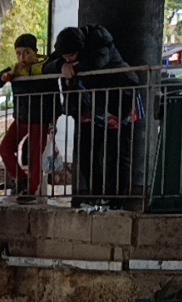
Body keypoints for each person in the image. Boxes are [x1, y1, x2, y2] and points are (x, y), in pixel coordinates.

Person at [46, 24, 141, 207]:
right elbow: (46, 67)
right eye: (64, 56)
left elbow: (98, 63)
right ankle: (96, 195)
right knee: (85, 151)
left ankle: (116, 199)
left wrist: (72, 67)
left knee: (117, 153)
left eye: (71, 56)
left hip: (119, 101)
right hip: (91, 106)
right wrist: (61, 65)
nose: (68, 59)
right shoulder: (66, 49)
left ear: (80, 50)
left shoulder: (100, 38)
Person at [0, 33, 59, 201]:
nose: (22, 57)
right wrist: (4, 77)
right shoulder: (15, 69)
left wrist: (53, 120)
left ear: (34, 52)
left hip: (40, 119)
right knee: (4, 148)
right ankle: (21, 180)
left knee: (35, 156)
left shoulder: (46, 66)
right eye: (18, 53)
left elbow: (57, 71)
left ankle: (32, 191)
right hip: (21, 118)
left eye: (26, 52)